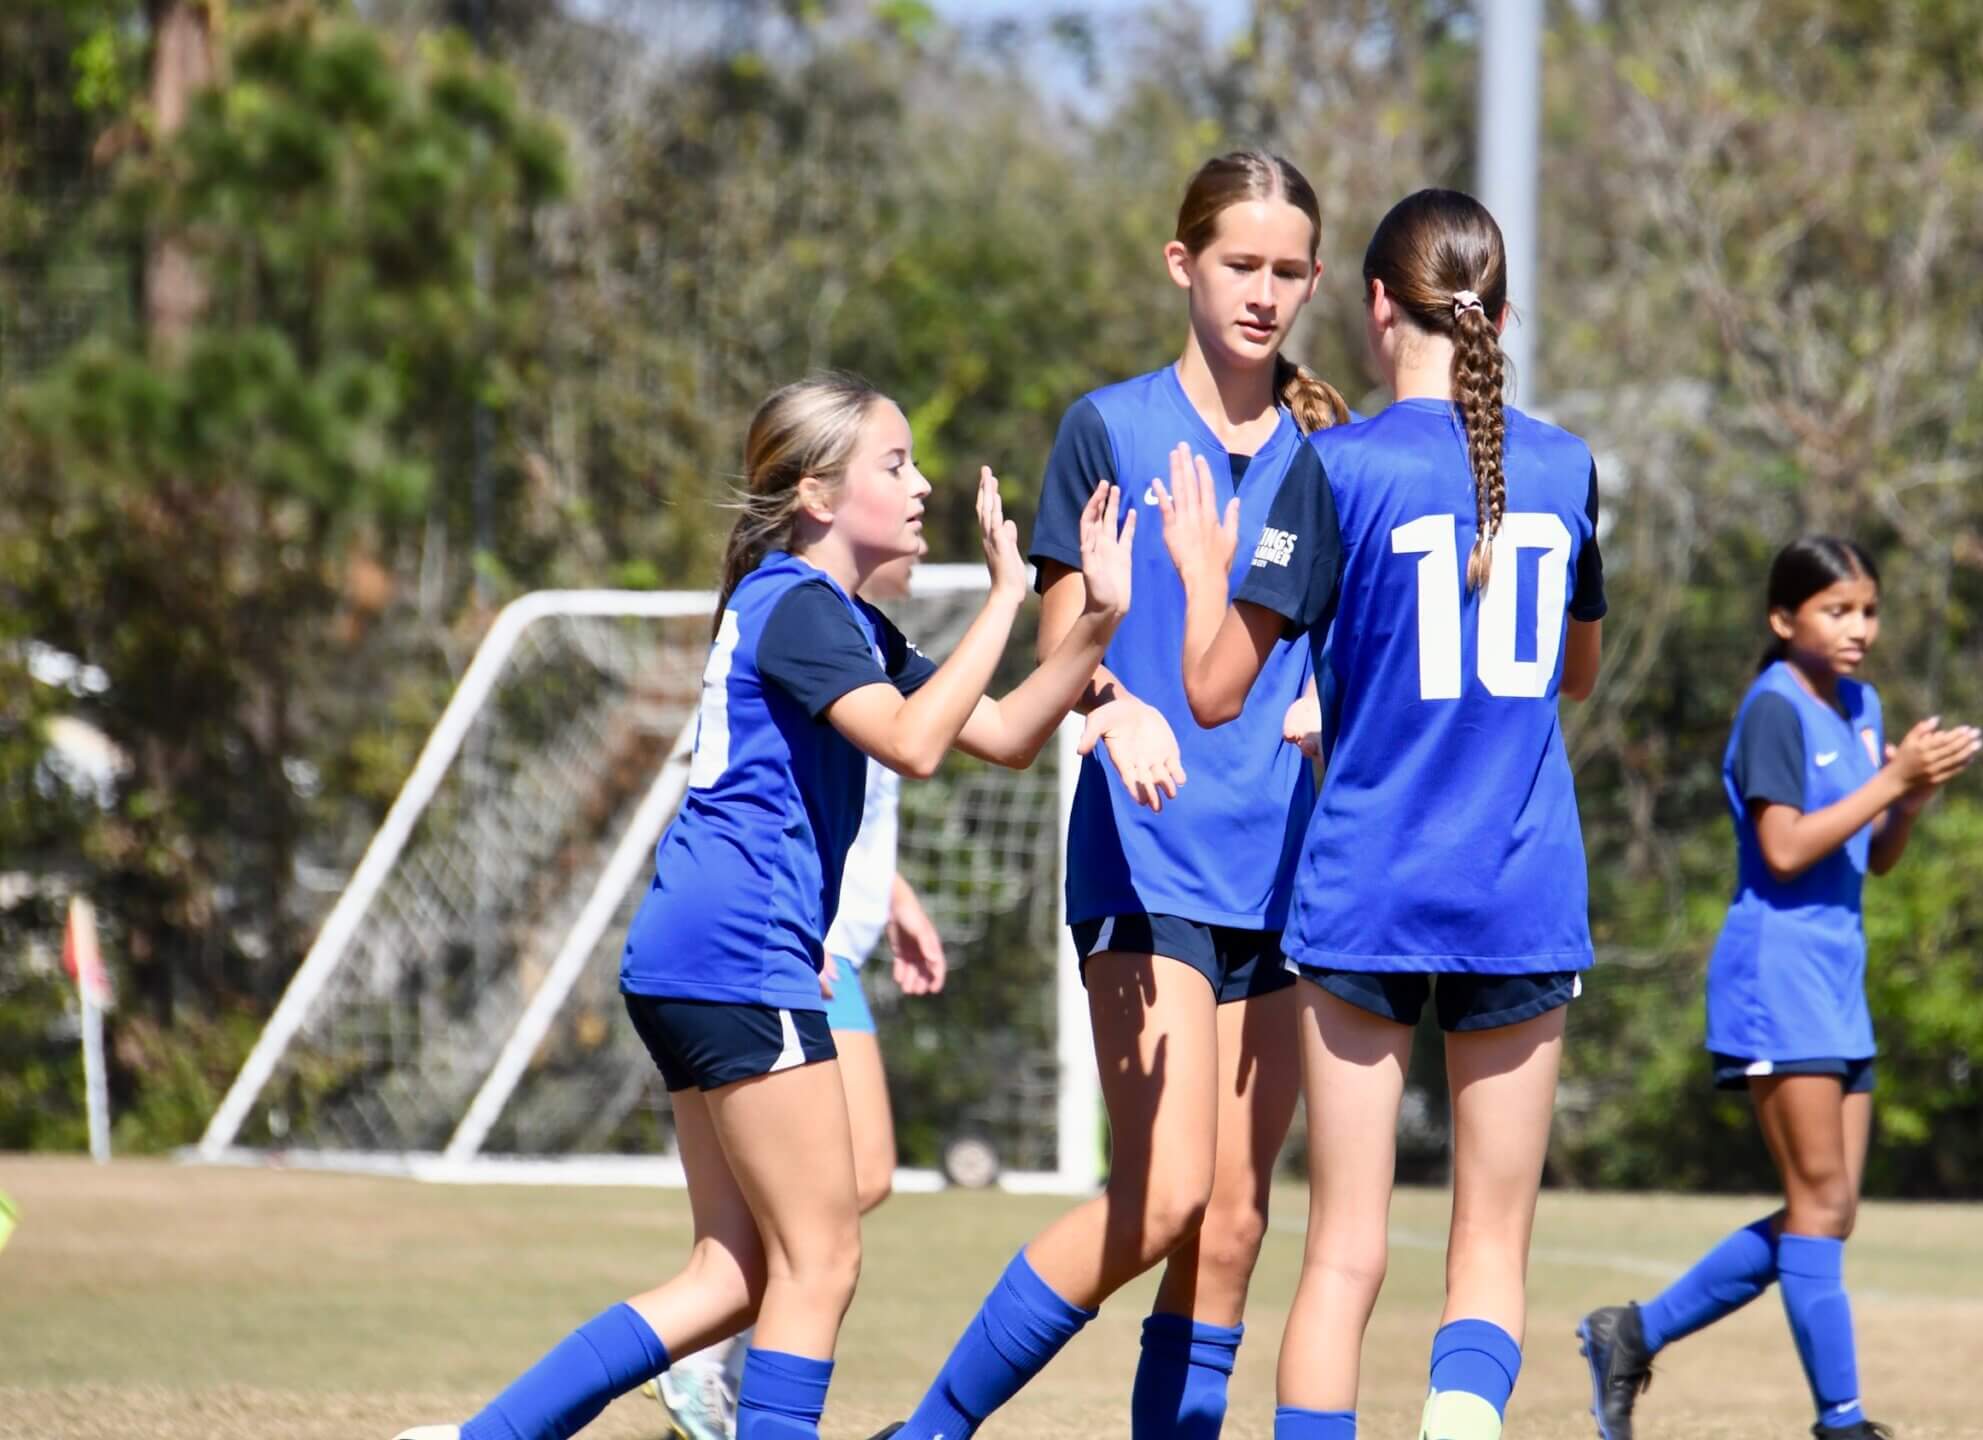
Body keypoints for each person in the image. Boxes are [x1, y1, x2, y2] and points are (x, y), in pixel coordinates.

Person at [395, 371, 1133, 1440]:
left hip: (693, 955)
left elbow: (1011, 734)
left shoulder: (837, 620)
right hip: (740, 955)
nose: (921, 486)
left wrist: (1099, 619)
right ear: (817, 495)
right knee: (820, 1260)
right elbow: (915, 746)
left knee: (733, 1275)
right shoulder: (798, 607)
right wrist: (1005, 599)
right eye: (895, 464)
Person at [871, 150, 1349, 1440]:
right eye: (1239, 264)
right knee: (1166, 1196)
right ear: (1182, 264)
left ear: (1316, 280)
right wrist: (1115, 701)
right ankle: (926, 1432)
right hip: (1147, 861)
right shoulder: (1109, 428)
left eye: (1287, 270)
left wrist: (1332, 703)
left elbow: (1347, 642)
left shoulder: (1328, 452)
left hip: (1288, 871)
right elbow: (1059, 648)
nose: (1262, 292)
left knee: (1232, 1228)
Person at [1158, 185, 1607, 1440]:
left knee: (1343, 1252)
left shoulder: (1333, 466)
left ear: (1372, 306)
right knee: (1490, 1250)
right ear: (1498, 316)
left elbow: (1213, 692)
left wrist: (1202, 577)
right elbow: (1572, 672)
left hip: (1368, 886)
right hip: (1517, 888)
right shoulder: (1565, 466)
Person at [1577, 536, 1981, 1440]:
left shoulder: (1863, 705)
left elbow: (1874, 856)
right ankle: (1841, 1421)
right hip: (1777, 974)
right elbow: (1786, 848)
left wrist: (1909, 802)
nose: (1859, 628)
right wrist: (1892, 779)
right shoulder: (1773, 709)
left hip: (1838, 975)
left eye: (1869, 610)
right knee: (1818, 1206)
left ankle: (1632, 1334)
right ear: (1783, 618)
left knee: (1829, 1211)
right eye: (1837, 610)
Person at [651, 551, 950, 1440]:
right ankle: (707, 1348)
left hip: (828, 949)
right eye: (897, 481)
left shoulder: (868, 644)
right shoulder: (807, 626)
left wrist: (894, 898)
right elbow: (743, 798)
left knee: (865, 1176)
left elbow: (844, 816)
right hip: (791, 955)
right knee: (808, 1230)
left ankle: (724, 1339)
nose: (920, 515)